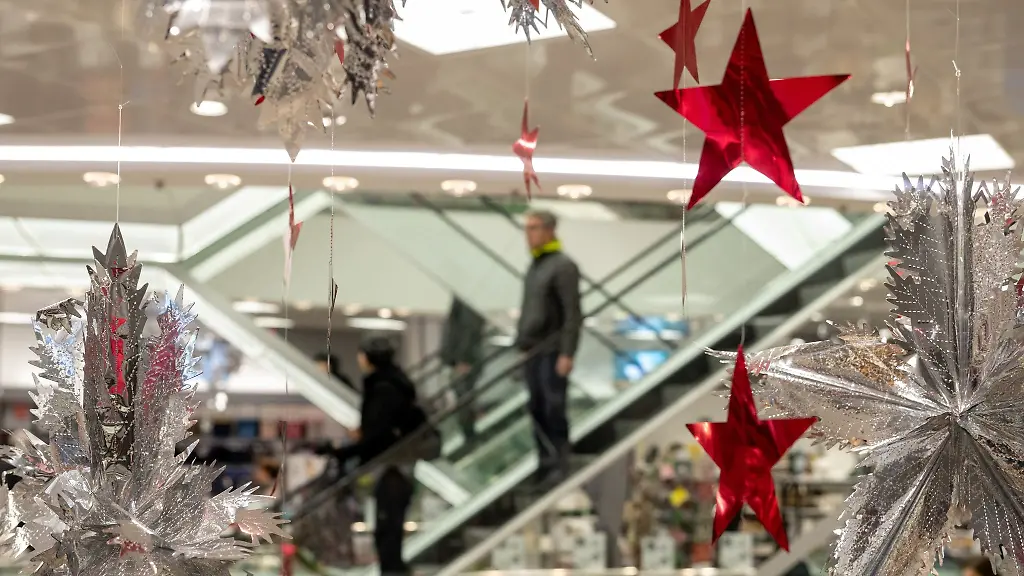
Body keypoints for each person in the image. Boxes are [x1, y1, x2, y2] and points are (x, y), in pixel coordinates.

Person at [318, 336, 419, 576]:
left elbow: (377, 435)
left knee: (388, 532)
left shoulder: (383, 388)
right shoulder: (392, 384)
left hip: (390, 467)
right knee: (389, 530)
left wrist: (344, 451)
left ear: (369, 357)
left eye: (361, 354)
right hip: (396, 465)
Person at [514, 209, 582, 485]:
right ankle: (543, 462)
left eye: (534, 228)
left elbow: (572, 313)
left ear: (550, 230)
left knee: (553, 406)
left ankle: (559, 461)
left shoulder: (563, 266)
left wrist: (567, 352)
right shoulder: (535, 266)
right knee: (536, 408)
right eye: (527, 229)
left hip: (552, 349)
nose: (529, 235)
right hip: (532, 350)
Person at [439, 297, 486, 442]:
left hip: (464, 360)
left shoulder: (467, 304)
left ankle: (469, 435)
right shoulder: (465, 303)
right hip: (461, 359)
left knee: (464, 396)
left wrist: (462, 359)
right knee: (463, 397)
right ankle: (468, 434)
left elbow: (469, 331)